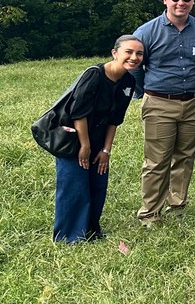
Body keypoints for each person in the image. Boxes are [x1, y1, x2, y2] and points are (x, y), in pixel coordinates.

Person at [51, 35, 144, 242]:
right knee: (74, 185)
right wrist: (85, 146)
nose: (134, 57)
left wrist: (105, 151)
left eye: (139, 53)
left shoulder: (128, 81)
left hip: (100, 139)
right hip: (75, 138)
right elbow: (78, 113)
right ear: (115, 53)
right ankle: (68, 236)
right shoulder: (95, 75)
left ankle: (91, 230)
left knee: (97, 184)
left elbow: (115, 119)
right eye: (128, 52)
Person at [131, 0, 195, 227]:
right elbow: (133, 66)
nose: (181, 2)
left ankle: (177, 207)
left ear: (193, 1)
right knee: (156, 161)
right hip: (159, 102)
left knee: (185, 157)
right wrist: (145, 91)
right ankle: (150, 213)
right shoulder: (147, 32)